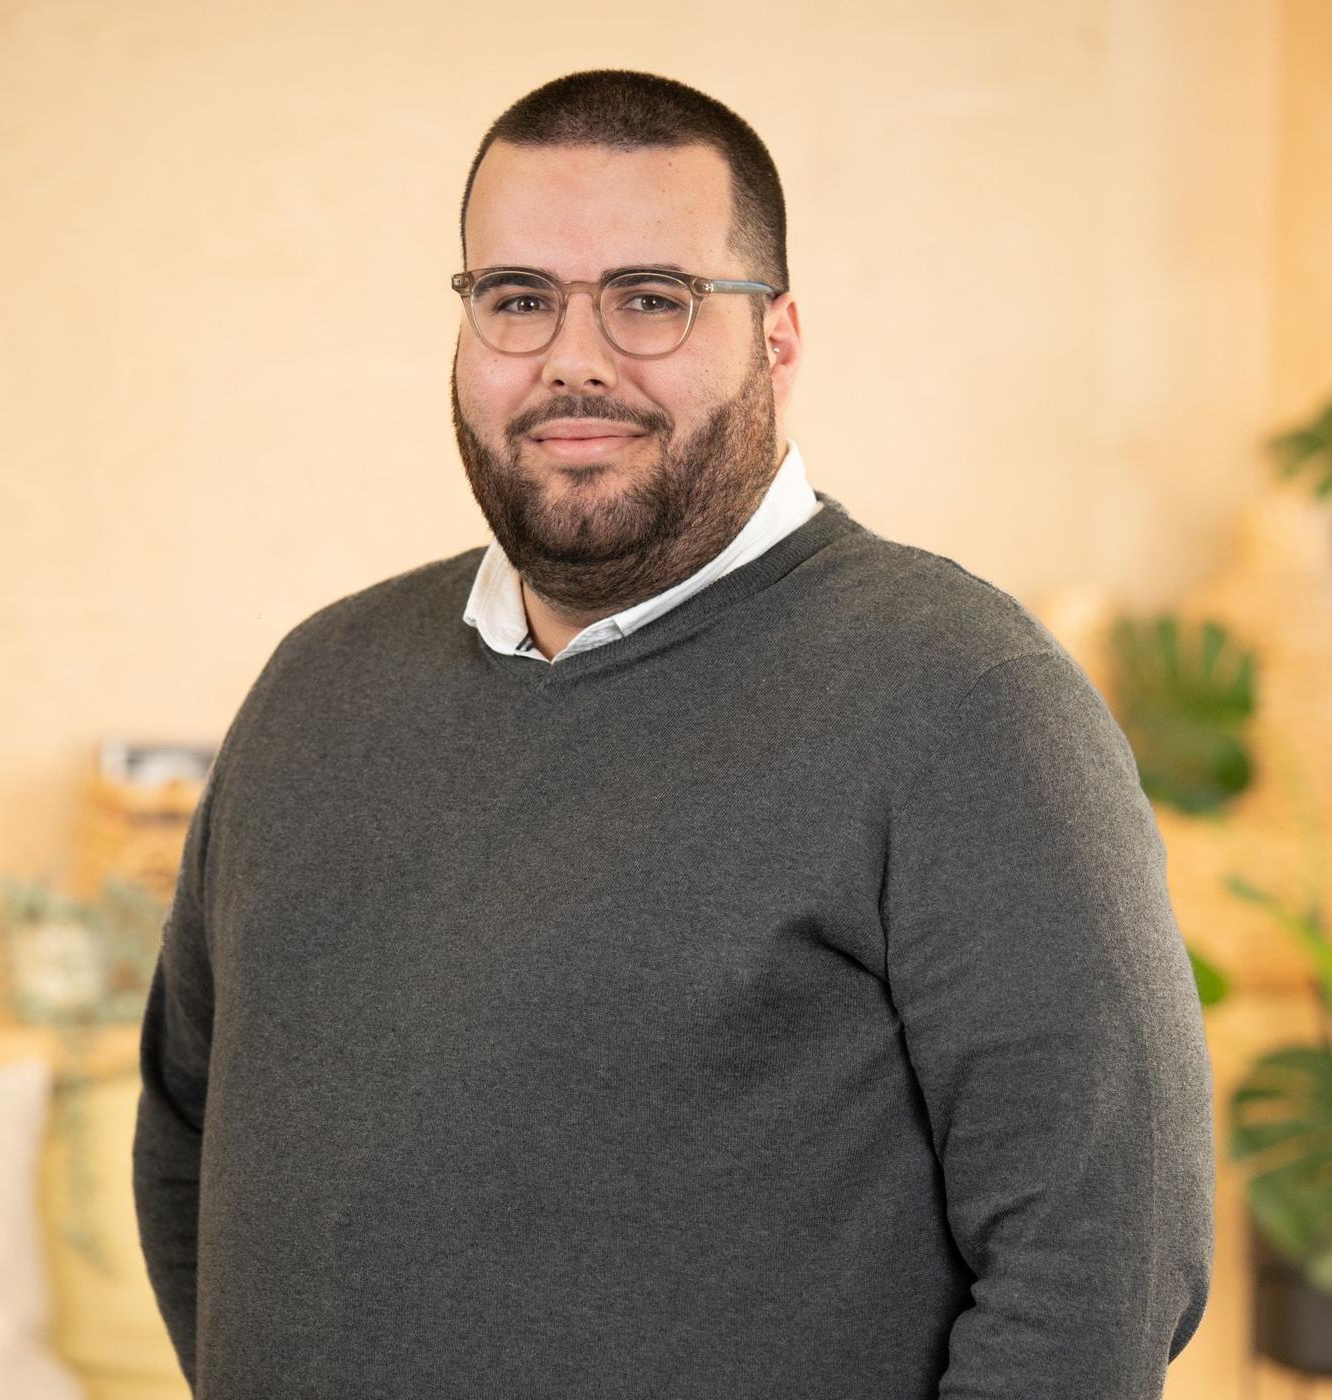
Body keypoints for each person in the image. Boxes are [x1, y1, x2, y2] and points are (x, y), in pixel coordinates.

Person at [132, 68, 1215, 1399]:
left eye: (653, 300)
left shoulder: (965, 701)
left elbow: (1099, 1265)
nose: (573, 359)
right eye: (518, 299)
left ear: (780, 339)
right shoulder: (316, 686)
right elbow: (188, 1136)